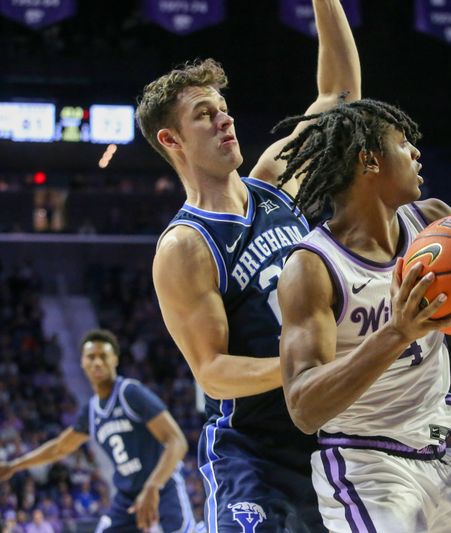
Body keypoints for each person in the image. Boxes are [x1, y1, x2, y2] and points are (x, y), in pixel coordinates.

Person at [137, 1, 360, 531]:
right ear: (172, 140)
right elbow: (212, 372)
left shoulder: (277, 182)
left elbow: (339, 96)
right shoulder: (185, 246)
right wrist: (306, 370)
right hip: (254, 453)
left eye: (223, 107)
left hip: (330, 436)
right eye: (204, 115)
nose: (224, 119)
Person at [272, 99, 451, 532]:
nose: (416, 152)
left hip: (442, 463)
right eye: (403, 143)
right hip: (365, 467)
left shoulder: (435, 224)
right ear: (369, 160)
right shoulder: (313, 267)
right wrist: (395, 332)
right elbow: (303, 408)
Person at [0, 329, 193, 532]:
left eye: (104, 356)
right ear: (82, 362)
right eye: (91, 357)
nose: (98, 362)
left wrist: (154, 486)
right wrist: (14, 465)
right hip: (127, 496)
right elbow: (59, 448)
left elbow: (177, 440)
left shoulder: (130, 393)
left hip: (163, 487)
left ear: (115, 360)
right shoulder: (91, 412)